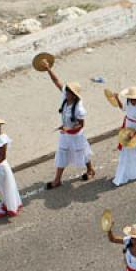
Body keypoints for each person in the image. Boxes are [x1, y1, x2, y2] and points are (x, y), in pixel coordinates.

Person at [39, 58, 96, 189]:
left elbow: (81, 125)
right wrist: (48, 69)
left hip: (76, 135)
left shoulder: (79, 109)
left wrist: (68, 129)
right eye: (67, 91)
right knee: (62, 152)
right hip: (65, 133)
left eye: (70, 92)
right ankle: (57, 180)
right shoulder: (65, 97)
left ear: (75, 95)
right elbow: (56, 81)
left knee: (82, 153)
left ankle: (90, 170)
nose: (67, 93)